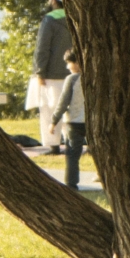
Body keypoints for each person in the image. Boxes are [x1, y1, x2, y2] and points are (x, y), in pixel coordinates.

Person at [33, 0, 74, 150]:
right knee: (72, 109)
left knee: (49, 109)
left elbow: (42, 48)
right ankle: (71, 141)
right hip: (73, 71)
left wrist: (39, 71)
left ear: (55, 0)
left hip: (52, 72)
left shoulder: (49, 20)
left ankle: (52, 144)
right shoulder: (74, 17)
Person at [49, 48, 87, 190]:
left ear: (77, 62)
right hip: (91, 122)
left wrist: (54, 120)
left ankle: (71, 185)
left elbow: (63, 102)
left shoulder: (72, 79)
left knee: (72, 155)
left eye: (70, 63)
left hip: (74, 122)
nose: (68, 67)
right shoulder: (94, 77)